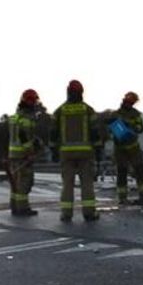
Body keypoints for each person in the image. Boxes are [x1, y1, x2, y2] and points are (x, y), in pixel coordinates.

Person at [50, 79, 100, 222]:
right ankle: (89, 213)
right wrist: (98, 149)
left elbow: (53, 132)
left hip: (66, 153)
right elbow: (95, 131)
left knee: (67, 184)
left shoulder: (59, 111)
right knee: (87, 183)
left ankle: (66, 214)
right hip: (86, 152)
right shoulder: (88, 110)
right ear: (81, 93)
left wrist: (53, 149)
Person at [107, 91, 143, 204]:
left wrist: (131, 127)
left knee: (140, 170)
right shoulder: (115, 114)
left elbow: (141, 128)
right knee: (121, 172)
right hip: (120, 147)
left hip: (133, 147)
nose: (129, 103)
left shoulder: (136, 114)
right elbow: (109, 129)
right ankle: (122, 197)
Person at [7, 88, 43, 216]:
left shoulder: (14, 118)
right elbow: (24, 138)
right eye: (33, 101)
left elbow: (18, 136)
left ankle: (14, 207)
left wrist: (36, 140)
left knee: (15, 182)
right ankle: (22, 208)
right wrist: (30, 152)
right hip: (23, 155)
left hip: (12, 154)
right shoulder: (27, 119)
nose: (35, 103)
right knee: (25, 182)